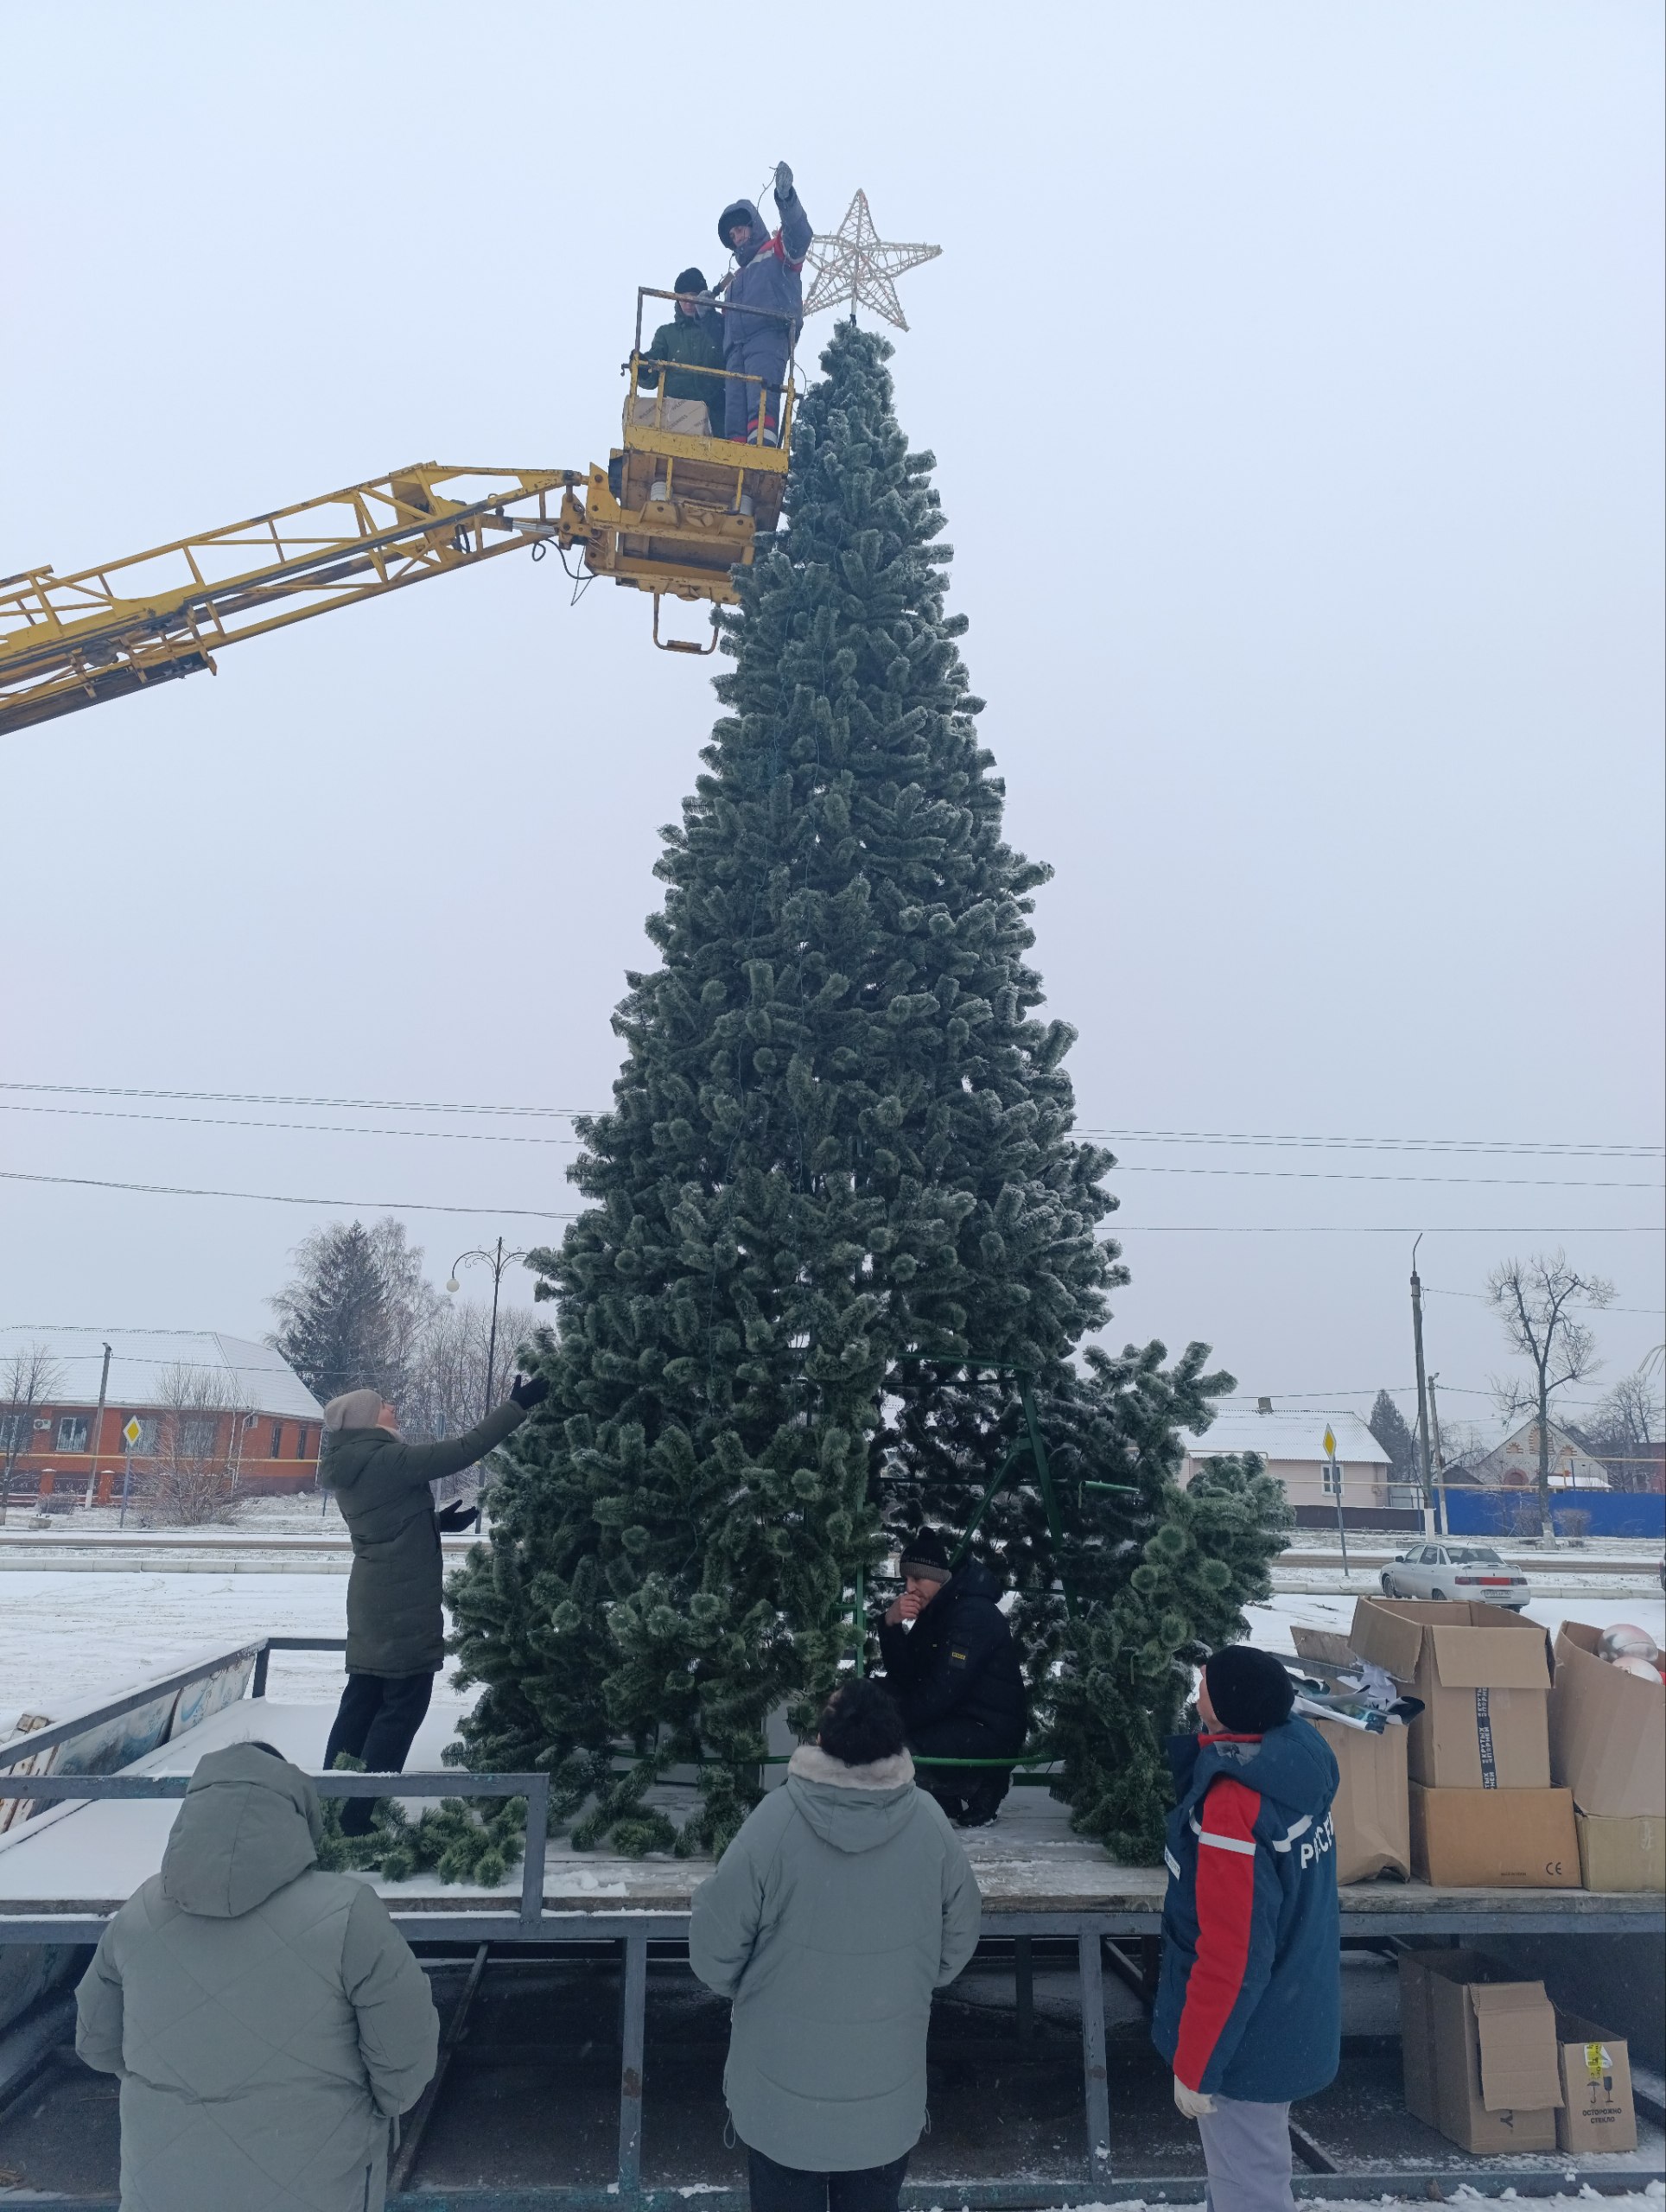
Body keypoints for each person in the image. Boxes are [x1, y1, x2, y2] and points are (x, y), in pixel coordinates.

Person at [75, 1739, 439, 2212]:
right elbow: (405, 2059)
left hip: (165, 2185)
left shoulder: (139, 1913)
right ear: (296, 1812)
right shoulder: (348, 1913)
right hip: (316, 2180)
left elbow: (96, 2044)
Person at [689, 1678, 981, 2212]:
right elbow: (958, 1941)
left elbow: (712, 1947)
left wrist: (751, 1987)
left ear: (821, 1739)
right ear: (896, 1745)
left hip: (780, 2100)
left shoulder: (774, 1822)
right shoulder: (931, 1826)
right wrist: (906, 1981)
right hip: (885, 2098)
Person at [1151, 1645, 1341, 2212]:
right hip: (1291, 2010)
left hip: (1246, 2039)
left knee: (1248, 2186)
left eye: (1204, 1685)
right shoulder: (1296, 1760)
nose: (1194, 1693)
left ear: (1227, 1710)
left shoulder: (1235, 1808)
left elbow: (1232, 1956)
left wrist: (1198, 2064)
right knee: (1248, 2172)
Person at [319, 1374, 548, 1834]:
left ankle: (328, 1804)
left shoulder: (352, 1463)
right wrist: (516, 1406)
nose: (392, 1406)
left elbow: (382, 1525)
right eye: (384, 1403)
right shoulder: (385, 1456)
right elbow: (462, 1450)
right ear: (367, 1420)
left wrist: (431, 1521)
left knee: (363, 1699)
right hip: (400, 1600)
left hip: (373, 1597)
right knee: (403, 1701)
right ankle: (358, 1819)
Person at [876, 1527, 1028, 1827]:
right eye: (905, 1579)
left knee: (894, 1752)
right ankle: (943, 1791)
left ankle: (980, 1784)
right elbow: (906, 1677)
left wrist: (884, 1725)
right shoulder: (940, 1607)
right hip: (956, 1719)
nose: (909, 1587)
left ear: (938, 1577)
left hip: (986, 1729)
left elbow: (941, 1691)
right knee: (870, 1706)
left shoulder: (972, 1614)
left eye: (916, 1578)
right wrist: (890, 1624)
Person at [715, 160, 812, 443]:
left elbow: (800, 235)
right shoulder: (733, 282)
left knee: (760, 407)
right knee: (734, 417)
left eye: (740, 230)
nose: (737, 238)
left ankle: (760, 462)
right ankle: (735, 472)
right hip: (736, 351)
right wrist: (702, 310)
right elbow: (723, 326)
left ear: (753, 226)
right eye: (732, 236)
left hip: (767, 337)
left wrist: (787, 199)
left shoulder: (776, 252)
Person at [636, 265, 728, 437]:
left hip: (716, 421)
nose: (687, 302)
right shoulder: (666, 334)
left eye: (693, 296)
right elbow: (654, 368)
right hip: (673, 419)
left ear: (702, 297)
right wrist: (643, 368)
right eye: (682, 297)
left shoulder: (720, 329)